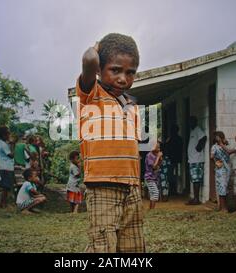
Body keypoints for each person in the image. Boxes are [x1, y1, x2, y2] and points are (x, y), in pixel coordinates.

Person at [77, 33, 145, 253]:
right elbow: (88, 59)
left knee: (132, 244)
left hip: (131, 186)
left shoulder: (131, 106)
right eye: (115, 70)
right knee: (103, 245)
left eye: (130, 72)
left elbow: (133, 149)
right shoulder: (91, 94)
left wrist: (136, 182)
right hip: (102, 184)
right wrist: (98, 47)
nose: (123, 78)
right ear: (99, 69)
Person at [186, 116, 207, 205]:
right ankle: (195, 198)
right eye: (189, 122)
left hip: (197, 159)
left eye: (191, 121)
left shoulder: (198, 129)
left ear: (195, 122)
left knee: (196, 180)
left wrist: (198, 148)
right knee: (194, 180)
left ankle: (196, 199)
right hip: (192, 160)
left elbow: (204, 138)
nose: (190, 123)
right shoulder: (192, 131)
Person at [210, 131, 230, 213]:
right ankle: (222, 207)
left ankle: (224, 208)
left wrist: (222, 143)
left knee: (224, 187)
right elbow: (211, 157)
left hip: (226, 169)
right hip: (220, 169)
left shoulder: (225, 145)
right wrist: (215, 163)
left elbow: (229, 152)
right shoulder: (214, 147)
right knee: (221, 188)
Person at [0, 126, 15, 209]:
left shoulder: (3, 143)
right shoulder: (3, 144)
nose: (10, 135)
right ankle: (4, 204)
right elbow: (11, 155)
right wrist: (12, 144)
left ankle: (2, 203)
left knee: (6, 187)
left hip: (7, 167)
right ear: (4, 135)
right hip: (6, 168)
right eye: (8, 133)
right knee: (5, 187)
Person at [165, 124, 184, 194]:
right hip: (176, 160)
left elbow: (166, 148)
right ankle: (175, 190)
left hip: (172, 160)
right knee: (174, 175)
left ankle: (174, 190)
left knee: (172, 175)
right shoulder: (179, 139)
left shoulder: (171, 139)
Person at [145, 142, 163, 209]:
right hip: (149, 178)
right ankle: (152, 209)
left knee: (153, 194)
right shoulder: (149, 155)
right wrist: (158, 157)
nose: (159, 148)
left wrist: (160, 158)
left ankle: (151, 209)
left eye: (159, 147)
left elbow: (159, 165)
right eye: (157, 147)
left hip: (154, 178)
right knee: (155, 194)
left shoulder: (155, 155)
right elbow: (154, 167)